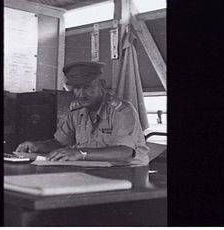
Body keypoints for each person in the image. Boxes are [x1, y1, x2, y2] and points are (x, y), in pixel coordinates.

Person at [15, 61, 149, 165]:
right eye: (76, 88)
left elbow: (125, 152)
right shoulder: (76, 111)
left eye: (87, 87)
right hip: (92, 169)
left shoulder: (122, 110)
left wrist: (81, 153)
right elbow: (60, 143)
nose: (81, 94)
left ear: (101, 84)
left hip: (130, 171)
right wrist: (37, 146)